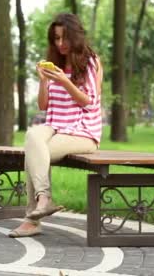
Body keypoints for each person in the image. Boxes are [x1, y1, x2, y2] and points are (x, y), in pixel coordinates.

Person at [8, 13, 103, 238]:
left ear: (75, 36)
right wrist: (44, 81)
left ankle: (32, 220)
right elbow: (43, 105)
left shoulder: (91, 62)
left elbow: (89, 100)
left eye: (64, 38)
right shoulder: (56, 64)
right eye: (56, 39)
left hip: (83, 132)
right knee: (32, 135)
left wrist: (65, 81)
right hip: (55, 125)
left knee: (34, 154)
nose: (60, 44)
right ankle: (44, 199)